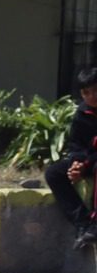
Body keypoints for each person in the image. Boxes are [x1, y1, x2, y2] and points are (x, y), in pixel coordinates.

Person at [42, 66, 97, 250]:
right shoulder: (82, 114)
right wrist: (76, 163)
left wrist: (85, 164)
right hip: (88, 160)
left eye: (96, 91)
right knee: (54, 173)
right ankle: (83, 222)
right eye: (86, 92)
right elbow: (76, 144)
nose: (91, 96)